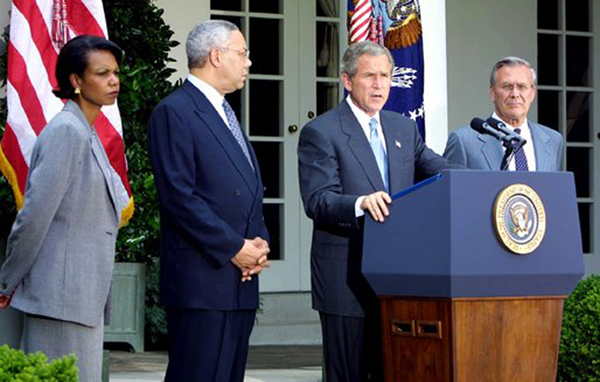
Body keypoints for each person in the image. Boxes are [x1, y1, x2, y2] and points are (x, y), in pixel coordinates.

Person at [298, 40, 459, 382]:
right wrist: (360, 203)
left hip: (396, 277)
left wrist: (489, 182)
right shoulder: (321, 132)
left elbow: (440, 170)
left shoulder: (401, 127)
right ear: (346, 80)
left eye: (385, 76)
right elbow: (318, 200)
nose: (379, 85)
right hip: (346, 280)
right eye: (369, 76)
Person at [148, 19, 270, 382]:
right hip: (202, 282)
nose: (248, 62)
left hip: (239, 282)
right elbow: (179, 198)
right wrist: (235, 247)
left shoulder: (226, 111)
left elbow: (247, 188)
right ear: (217, 56)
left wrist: (259, 245)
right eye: (243, 53)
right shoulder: (176, 112)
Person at [0, 35, 123, 380]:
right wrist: (8, 281)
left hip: (81, 297)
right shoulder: (66, 132)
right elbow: (35, 216)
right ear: (76, 81)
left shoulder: (87, 130)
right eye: (102, 73)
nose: (114, 80)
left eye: (115, 72)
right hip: (60, 299)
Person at [444, 56, 563, 171]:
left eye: (522, 87)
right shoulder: (464, 141)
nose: (515, 94)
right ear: (492, 92)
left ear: (532, 93)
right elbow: (449, 189)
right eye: (507, 86)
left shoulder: (553, 140)